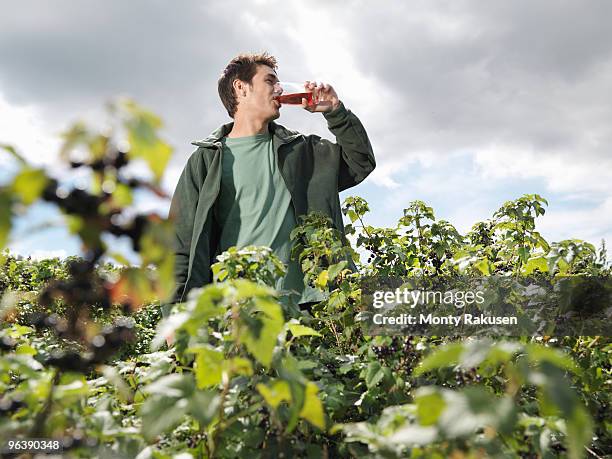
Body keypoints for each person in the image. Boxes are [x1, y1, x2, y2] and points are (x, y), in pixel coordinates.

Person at [163, 52, 375, 321]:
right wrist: (174, 318)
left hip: (311, 311)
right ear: (241, 88)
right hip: (236, 315)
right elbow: (180, 245)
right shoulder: (205, 161)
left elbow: (360, 162)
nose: (279, 89)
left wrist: (336, 111)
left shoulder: (302, 152)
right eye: (270, 81)